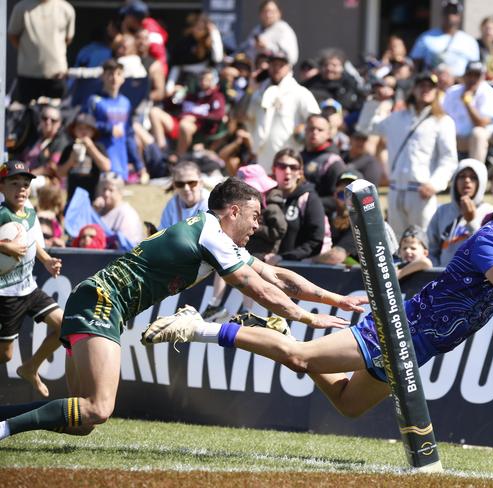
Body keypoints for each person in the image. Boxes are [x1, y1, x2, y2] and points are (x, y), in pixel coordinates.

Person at [141, 204, 493, 421]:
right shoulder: (491, 243)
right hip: (398, 329)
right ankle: (201, 326)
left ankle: (273, 328)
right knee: (299, 359)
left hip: (418, 349)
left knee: (347, 403)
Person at [0, 177, 364, 440]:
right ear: (233, 211)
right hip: (102, 302)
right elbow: (259, 289)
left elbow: (277, 276)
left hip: (93, 300)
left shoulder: (216, 237)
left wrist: (334, 299)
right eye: (254, 216)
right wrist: (304, 317)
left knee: (81, 421)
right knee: (98, 408)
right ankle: (4, 430)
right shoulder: (213, 236)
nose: (257, 225)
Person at [357, 73, 458, 237]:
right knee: (397, 242)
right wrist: (375, 101)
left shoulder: (443, 121)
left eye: (429, 87)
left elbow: (448, 159)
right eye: (421, 86)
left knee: (424, 241)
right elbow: (366, 128)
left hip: (421, 191)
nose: (425, 90)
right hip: (395, 188)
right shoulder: (398, 117)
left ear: (436, 91)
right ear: (414, 89)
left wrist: (435, 183)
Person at [0, 161, 63, 397]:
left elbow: (33, 241)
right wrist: (5, 247)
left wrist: (46, 260)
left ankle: (30, 368)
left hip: (30, 289)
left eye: (25, 184)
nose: (22, 189)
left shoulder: (30, 213)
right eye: (14, 184)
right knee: (5, 355)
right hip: (6, 295)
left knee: (65, 327)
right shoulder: (1, 214)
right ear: (2, 187)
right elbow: (11, 243)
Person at [244, 48, 320, 172]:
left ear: (289, 67)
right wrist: (250, 88)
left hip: (288, 161)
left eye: (281, 65)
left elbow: (316, 120)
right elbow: (243, 115)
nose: (276, 68)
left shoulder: (300, 92)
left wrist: (303, 130)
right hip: (263, 158)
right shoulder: (260, 92)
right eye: (273, 64)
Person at [426, 159, 493, 268]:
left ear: (481, 183)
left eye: (473, 177)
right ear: (455, 181)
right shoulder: (442, 211)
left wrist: (471, 222)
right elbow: (430, 248)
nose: (467, 180)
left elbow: (488, 250)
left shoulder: (490, 212)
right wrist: (437, 270)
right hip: (442, 276)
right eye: (462, 176)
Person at [264, 149, 326, 265]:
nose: (287, 171)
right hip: (264, 266)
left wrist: (284, 258)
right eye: (282, 166)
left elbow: (315, 241)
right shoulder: (265, 197)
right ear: (274, 169)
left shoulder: (309, 198)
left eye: (293, 167)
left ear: (300, 173)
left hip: (296, 268)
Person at [8, 0, 75, 104]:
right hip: (28, 75)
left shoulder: (66, 9)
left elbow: (68, 39)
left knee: (55, 115)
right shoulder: (21, 7)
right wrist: (29, 52)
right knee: (28, 115)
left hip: (56, 74)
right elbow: (13, 35)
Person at [409, 0, 480, 78]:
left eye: (454, 12)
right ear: (442, 14)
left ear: (460, 16)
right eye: (447, 12)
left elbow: (475, 67)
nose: (450, 15)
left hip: (460, 84)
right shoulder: (426, 37)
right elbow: (415, 63)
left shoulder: (469, 41)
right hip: (433, 83)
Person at [57, 113, 111, 209]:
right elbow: (60, 173)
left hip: (93, 197)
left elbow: (107, 167)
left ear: (93, 131)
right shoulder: (69, 148)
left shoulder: (98, 147)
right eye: (80, 128)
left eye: (87, 128)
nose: (83, 131)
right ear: (74, 130)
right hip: (73, 197)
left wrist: (91, 148)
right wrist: (71, 160)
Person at [300, 114, 347, 216]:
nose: (314, 132)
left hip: (323, 221)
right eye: (311, 128)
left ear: (328, 134)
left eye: (320, 130)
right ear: (305, 131)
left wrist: (307, 203)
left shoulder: (333, 162)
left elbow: (339, 199)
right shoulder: (298, 157)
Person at [93, 173, 144, 247]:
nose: (106, 194)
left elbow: (126, 245)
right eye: (104, 189)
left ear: (120, 192)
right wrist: (94, 211)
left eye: (111, 190)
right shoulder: (99, 210)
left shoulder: (127, 213)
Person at [21, 105, 70, 180]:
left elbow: (51, 167)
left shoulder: (61, 141)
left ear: (59, 123)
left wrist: (29, 176)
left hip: (46, 181)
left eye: (53, 120)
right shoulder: (34, 136)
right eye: (45, 118)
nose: (48, 122)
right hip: (25, 175)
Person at [244, 0, 299, 66]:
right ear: (260, 14)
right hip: (257, 72)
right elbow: (248, 54)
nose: (268, 15)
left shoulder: (284, 30)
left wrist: (267, 48)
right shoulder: (256, 31)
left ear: (279, 13)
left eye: (272, 11)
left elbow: (291, 57)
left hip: (278, 73)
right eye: (265, 11)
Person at [159, 161, 209, 230]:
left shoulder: (210, 204)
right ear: (174, 185)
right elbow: (162, 232)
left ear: (201, 183)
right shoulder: (172, 204)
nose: (186, 188)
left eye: (191, 183)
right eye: (180, 184)